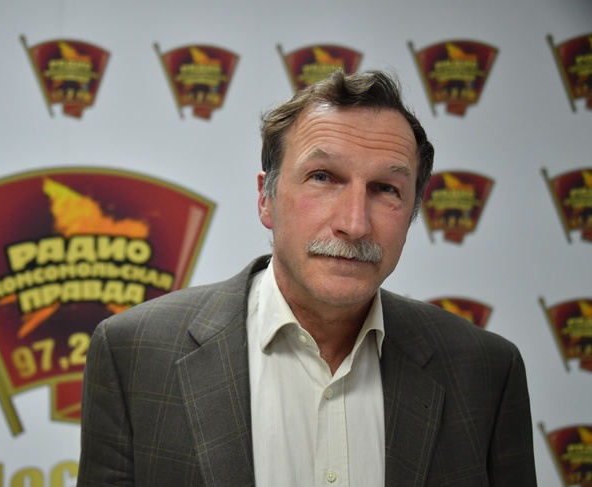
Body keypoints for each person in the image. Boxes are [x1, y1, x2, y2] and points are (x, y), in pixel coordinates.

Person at [76, 70, 537, 487]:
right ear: (266, 198)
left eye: (385, 189)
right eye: (323, 177)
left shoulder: (485, 372)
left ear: (412, 213)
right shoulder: (135, 353)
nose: (354, 224)